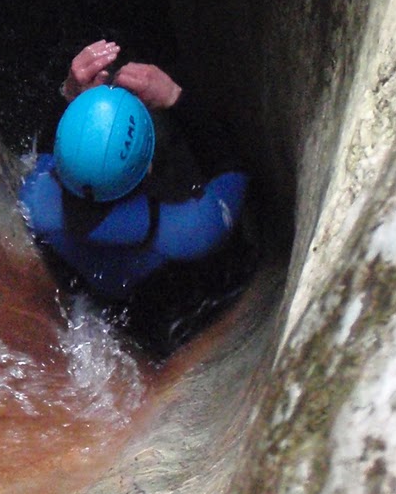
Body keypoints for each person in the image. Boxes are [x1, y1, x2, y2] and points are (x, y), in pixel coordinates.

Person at [19, 40, 255, 353]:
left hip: (100, 301)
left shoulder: (35, 202)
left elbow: (50, 150)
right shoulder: (194, 229)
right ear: (147, 166)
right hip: (174, 306)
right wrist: (174, 97)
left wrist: (70, 94)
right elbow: (232, 170)